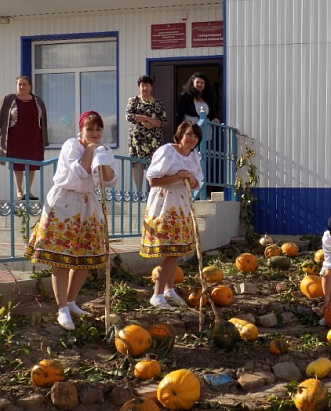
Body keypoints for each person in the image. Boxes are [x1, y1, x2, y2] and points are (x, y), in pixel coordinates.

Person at [24, 111, 117, 330]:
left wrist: (101, 158)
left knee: (84, 256)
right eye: (89, 129)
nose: (94, 133)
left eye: (98, 129)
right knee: (62, 258)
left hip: (87, 204)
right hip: (64, 202)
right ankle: (62, 308)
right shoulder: (71, 145)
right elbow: (80, 171)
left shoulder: (103, 149)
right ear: (81, 129)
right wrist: (91, 150)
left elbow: (111, 180)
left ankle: (72, 301)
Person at [139, 121, 203, 310]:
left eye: (195, 136)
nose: (191, 139)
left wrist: (190, 179)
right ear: (180, 134)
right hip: (164, 203)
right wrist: (177, 176)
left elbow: (197, 182)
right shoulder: (167, 151)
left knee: (175, 250)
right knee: (169, 250)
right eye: (188, 134)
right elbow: (152, 180)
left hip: (182, 205)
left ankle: (169, 289)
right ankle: (157, 294)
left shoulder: (194, 157)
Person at [0, 76, 49, 200]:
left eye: (24, 84)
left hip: (34, 136)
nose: (21, 87)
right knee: (18, 163)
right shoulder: (9, 100)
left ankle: (28, 191)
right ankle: (19, 191)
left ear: (30, 86)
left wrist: (45, 138)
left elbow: (43, 121)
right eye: (19, 84)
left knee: (32, 164)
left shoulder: (38, 101)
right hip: (15, 137)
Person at [126, 75, 167, 193]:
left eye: (147, 85)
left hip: (153, 140)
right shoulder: (134, 101)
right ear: (139, 87)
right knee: (138, 164)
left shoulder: (158, 103)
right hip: (137, 139)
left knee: (154, 164)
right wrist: (147, 118)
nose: (145, 88)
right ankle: (139, 193)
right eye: (142, 85)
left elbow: (163, 121)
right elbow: (130, 116)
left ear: (151, 87)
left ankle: (152, 192)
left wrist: (153, 123)